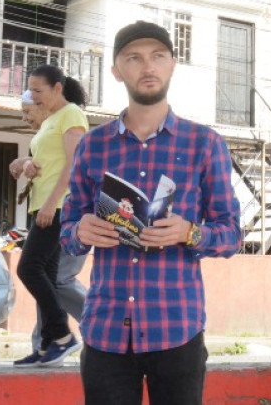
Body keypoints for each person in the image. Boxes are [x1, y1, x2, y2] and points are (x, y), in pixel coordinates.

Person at [60, 20, 241, 405]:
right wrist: (81, 232)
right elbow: (68, 230)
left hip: (176, 328)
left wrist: (188, 233)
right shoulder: (92, 147)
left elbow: (231, 234)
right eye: (135, 58)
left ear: (172, 64)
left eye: (158, 57)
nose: (148, 67)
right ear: (117, 70)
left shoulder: (204, 144)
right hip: (106, 330)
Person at [13, 66, 90, 367]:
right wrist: (28, 163)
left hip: (60, 206)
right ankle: (47, 346)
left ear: (57, 88)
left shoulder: (71, 114)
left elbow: (73, 164)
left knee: (28, 269)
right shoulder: (52, 120)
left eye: (38, 91)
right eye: (30, 90)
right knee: (45, 275)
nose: (33, 96)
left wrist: (52, 203)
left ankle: (62, 334)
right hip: (44, 204)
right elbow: (50, 160)